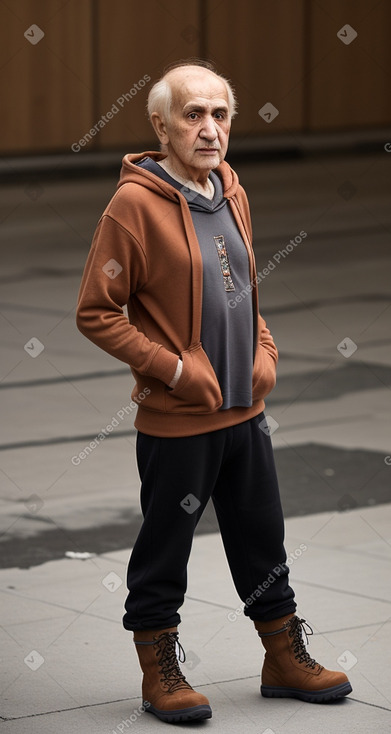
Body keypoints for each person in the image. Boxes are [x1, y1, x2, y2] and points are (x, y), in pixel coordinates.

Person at [76, 58, 352, 724]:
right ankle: (158, 670)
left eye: (220, 114)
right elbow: (96, 311)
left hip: (244, 414)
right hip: (177, 420)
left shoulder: (230, 189)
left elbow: (241, 289)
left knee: (263, 538)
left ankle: (283, 657)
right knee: (165, 546)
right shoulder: (133, 206)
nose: (209, 129)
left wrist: (263, 349)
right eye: (192, 115)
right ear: (160, 125)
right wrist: (172, 370)